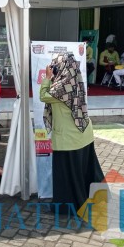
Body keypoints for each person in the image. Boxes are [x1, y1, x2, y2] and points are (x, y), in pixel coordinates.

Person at [40, 53, 105, 215]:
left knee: (66, 176)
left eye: (55, 66)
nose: (53, 69)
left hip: (68, 139)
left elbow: (43, 96)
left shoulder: (61, 87)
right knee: (84, 171)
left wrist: (47, 78)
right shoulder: (76, 80)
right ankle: (94, 199)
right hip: (84, 135)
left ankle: (66, 207)